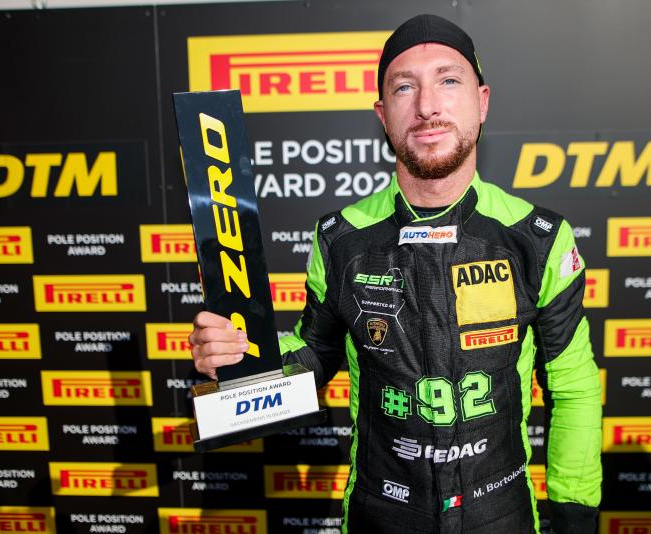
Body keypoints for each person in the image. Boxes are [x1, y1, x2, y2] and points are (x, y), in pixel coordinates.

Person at [189, 13, 601, 534]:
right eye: (405, 87)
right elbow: (315, 355)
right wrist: (240, 360)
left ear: (482, 101)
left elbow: (573, 386)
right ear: (383, 115)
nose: (427, 106)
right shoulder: (341, 239)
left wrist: (575, 515)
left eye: (448, 80)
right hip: (380, 515)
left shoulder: (537, 237)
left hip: (502, 515)